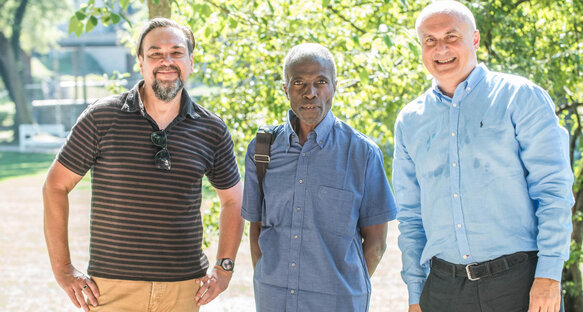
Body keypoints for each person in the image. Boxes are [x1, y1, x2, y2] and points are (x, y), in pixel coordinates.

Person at [42, 18, 244, 312]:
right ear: (140, 62)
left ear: (190, 61)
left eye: (176, 52)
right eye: (155, 53)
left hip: (184, 290)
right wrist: (63, 269)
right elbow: (55, 187)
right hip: (110, 290)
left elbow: (234, 200)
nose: (166, 61)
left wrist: (224, 268)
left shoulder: (211, 129)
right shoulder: (102, 118)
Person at [392, 1, 574, 312]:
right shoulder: (410, 121)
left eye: (451, 36)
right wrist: (415, 294)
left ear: (474, 39)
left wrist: (549, 275)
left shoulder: (520, 98)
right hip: (442, 290)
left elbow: (553, 191)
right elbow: (410, 217)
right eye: (430, 40)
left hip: (519, 284)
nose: (440, 49)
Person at [242, 43, 397, 312]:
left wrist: (340, 288)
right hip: (273, 301)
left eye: (320, 82)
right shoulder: (261, 150)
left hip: (338, 303)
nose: (310, 93)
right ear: (285, 88)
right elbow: (256, 231)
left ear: (335, 86)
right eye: (299, 82)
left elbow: (376, 245)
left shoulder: (362, 154)